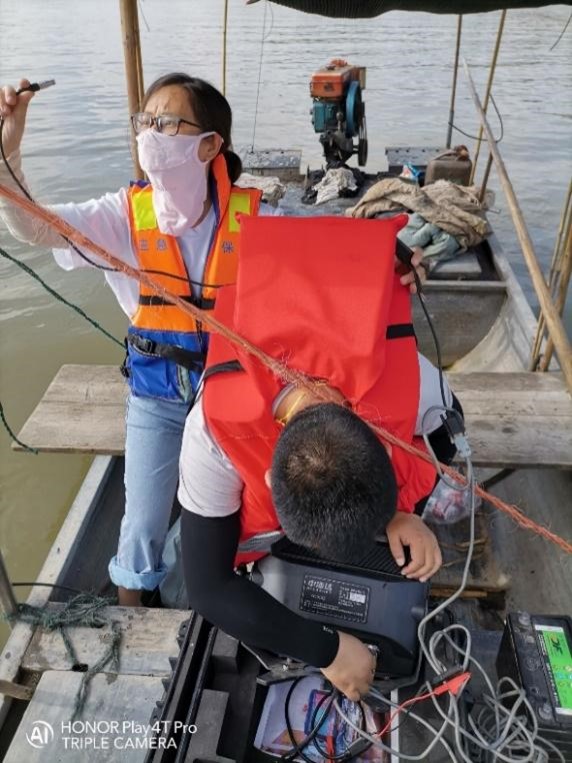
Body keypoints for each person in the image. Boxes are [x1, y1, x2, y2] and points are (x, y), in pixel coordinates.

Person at [0, 73, 276, 606]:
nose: (149, 133)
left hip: (231, 393)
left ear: (210, 145)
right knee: (142, 523)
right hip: (157, 393)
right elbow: (35, 228)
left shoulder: (257, 216)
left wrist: (395, 260)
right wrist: (6, 156)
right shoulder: (123, 215)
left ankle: (232, 589)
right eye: (144, 121)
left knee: (251, 507)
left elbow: (327, 256)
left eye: (166, 122)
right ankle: (131, 617)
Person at [177, 212, 462, 701]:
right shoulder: (211, 435)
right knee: (183, 561)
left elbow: (448, 444)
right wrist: (327, 650)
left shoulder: (422, 392)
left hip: (349, 346)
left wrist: (404, 513)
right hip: (265, 344)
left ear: (382, 445)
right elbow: (206, 586)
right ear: (269, 480)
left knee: (447, 500)